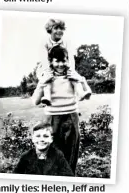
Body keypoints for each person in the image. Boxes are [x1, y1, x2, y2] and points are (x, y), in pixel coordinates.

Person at [32, 46, 92, 174]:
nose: (60, 64)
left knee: (71, 153)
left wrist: (80, 79)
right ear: (51, 62)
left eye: (63, 60)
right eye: (57, 61)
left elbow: (86, 96)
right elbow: (35, 101)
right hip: (52, 118)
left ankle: (70, 181)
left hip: (71, 115)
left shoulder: (72, 74)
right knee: (52, 153)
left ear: (68, 61)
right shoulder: (46, 77)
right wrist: (42, 82)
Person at [38, 18, 91, 105]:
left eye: (61, 28)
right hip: (48, 65)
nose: (59, 31)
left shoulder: (67, 41)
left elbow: (71, 57)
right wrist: (49, 72)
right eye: (56, 28)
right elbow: (44, 59)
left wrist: (71, 71)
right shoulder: (44, 42)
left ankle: (81, 93)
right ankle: (47, 97)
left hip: (63, 64)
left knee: (74, 76)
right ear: (50, 30)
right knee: (47, 78)